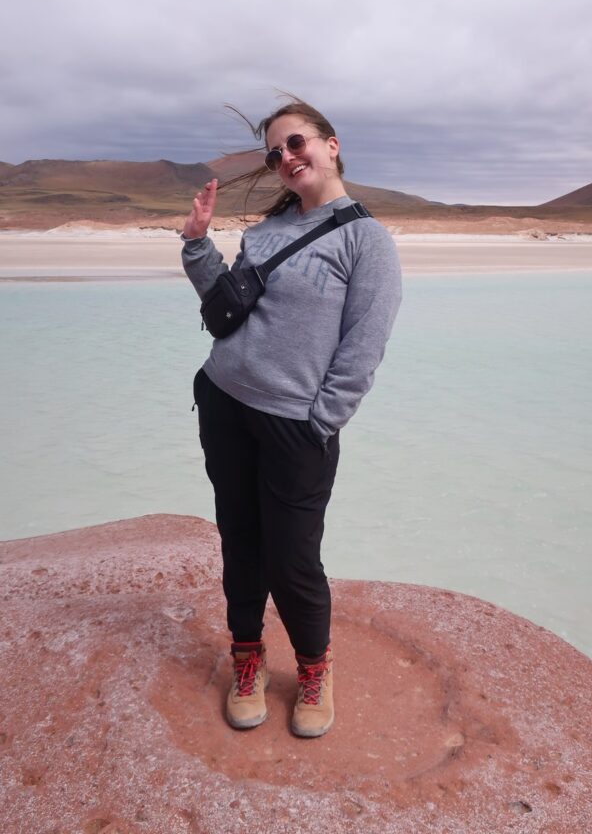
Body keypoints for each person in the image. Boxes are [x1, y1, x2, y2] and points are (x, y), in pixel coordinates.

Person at [181, 99, 401, 737]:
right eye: (275, 153)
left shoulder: (367, 242)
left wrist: (318, 423)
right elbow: (227, 305)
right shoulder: (268, 232)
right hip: (223, 400)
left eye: (296, 142)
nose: (286, 158)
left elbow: (363, 349)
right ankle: (246, 657)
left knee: (293, 558)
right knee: (240, 539)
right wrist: (198, 244)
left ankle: (313, 668)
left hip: (294, 427)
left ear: (332, 145)